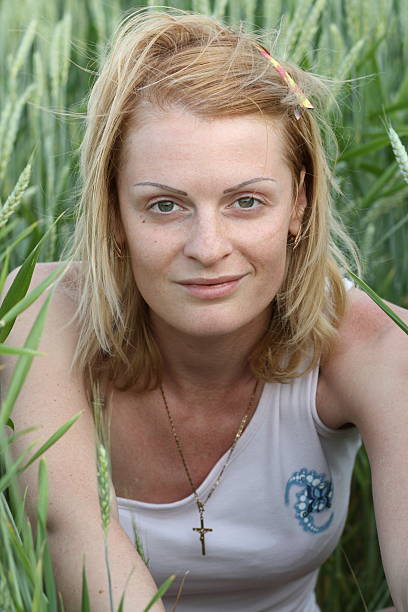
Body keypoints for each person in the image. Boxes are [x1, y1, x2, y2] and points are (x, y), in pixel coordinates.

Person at [2, 7, 407, 612]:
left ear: (298, 205)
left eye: (246, 201)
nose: (208, 248)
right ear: (114, 213)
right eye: (165, 206)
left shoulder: (376, 345)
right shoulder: (38, 318)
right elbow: (77, 540)